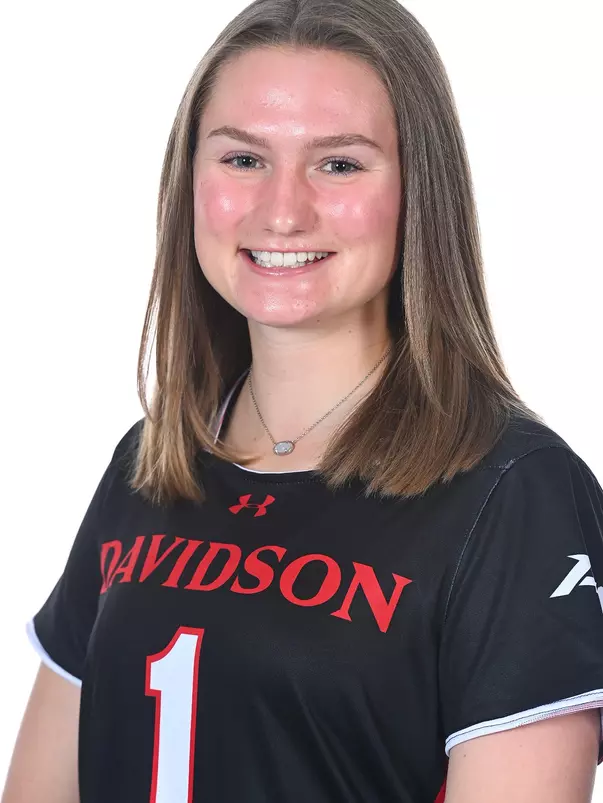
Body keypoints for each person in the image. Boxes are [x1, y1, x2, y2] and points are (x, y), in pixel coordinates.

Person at [3, 0, 603, 801]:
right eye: (242, 159)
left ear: (419, 190)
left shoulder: (515, 493)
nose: (281, 210)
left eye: (340, 164)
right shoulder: (152, 462)